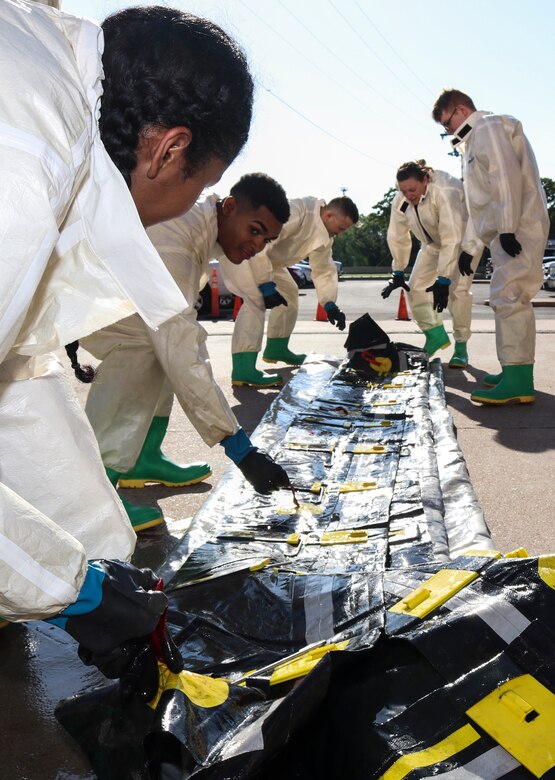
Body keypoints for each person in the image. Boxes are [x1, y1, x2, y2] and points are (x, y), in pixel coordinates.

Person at [0, 0, 253, 689]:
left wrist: (99, 554)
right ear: (168, 148)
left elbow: (15, 374)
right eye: (199, 183)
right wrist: (65, 584)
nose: (192, 201)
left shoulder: (51, 94)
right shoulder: (19, 167)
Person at [82, 173, 292, 530]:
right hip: (78, 297)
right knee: (146, 348)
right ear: (228, 207)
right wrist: (239, 446)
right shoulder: (177, 240)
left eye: (266, 239)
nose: (257, 245)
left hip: (98, 295)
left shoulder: (200, 232)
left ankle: (144, 456)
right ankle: (93, 496)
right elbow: (180, 346)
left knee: (162, 346)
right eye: (254, 230)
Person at [432, 88, 549, 403]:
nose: (448, 131)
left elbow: (504, 176)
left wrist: (509, 226)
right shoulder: (473, 141)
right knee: (504, 297)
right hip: (505, 230)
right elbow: (480, 204)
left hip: (518, 226)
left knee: (510, 296)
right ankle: (513, 370)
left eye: (447, 123)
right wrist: (471, 248)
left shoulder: (487, 127)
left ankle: (519, 381)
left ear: (460, 109)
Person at [219, 196, 359, 387]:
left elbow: (323, 268)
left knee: (289, 293)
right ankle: (243, 369)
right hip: (245, 248)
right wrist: (264, 284)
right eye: (341, 228)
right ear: (329, 215)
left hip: (269, 262)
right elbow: (260, 236)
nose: (341, 234)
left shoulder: (325, 236)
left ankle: (277, 348)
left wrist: (329, 303)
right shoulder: (297, 211)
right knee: (256, 300)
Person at [383, 160, 483, 366]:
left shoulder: (445, 190)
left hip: (464, 243)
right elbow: (397, 235)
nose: (408, 195)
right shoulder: (401, 199)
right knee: (415, 287)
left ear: (425, 180)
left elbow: (452, 235)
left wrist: (444, 278)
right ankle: (435, 334)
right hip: (432, 244)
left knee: (458, 292)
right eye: (403, 190)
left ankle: (461, 347)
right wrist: (398, 270)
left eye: (412, 189)